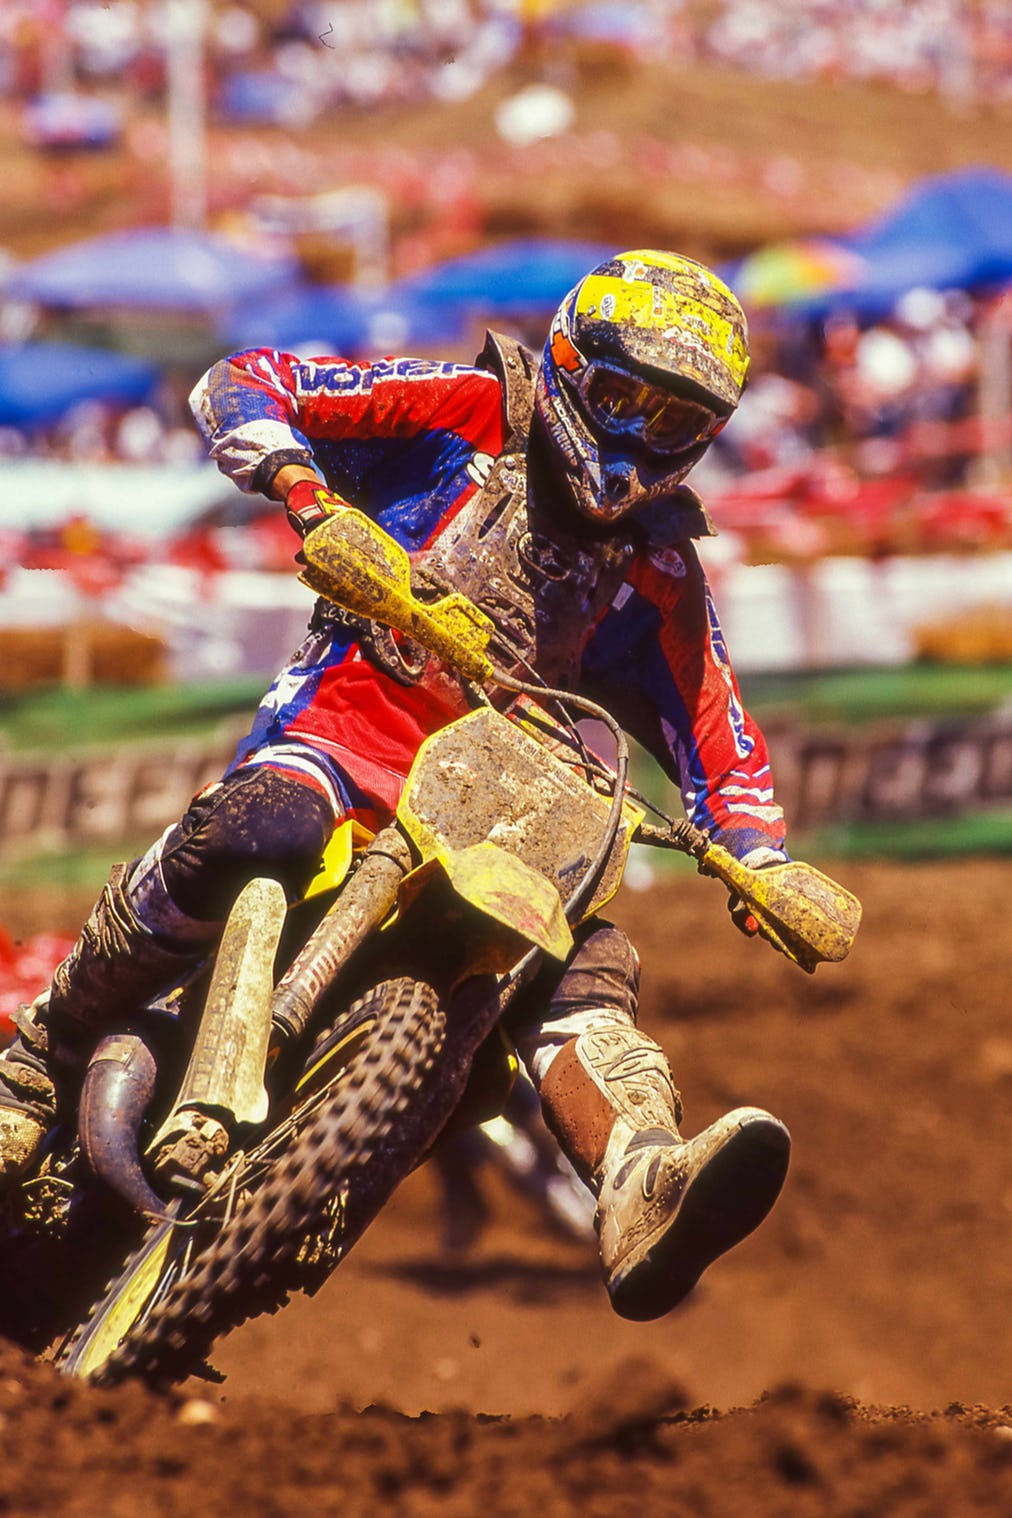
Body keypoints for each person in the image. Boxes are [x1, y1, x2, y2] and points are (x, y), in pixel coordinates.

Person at [0, 250, 791, 1321]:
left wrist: (757, 855)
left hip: (499, 802)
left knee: (589, 958)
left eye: (675, 422)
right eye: (622, 400)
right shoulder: (469, 412)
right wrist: (305, 493)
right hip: (342, 737)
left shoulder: (659, 562)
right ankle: (36, 1060)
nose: (638, 439)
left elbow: (716, 726)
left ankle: (641, 1179)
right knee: (265, 825)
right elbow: (249, 380)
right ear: (569, 364)